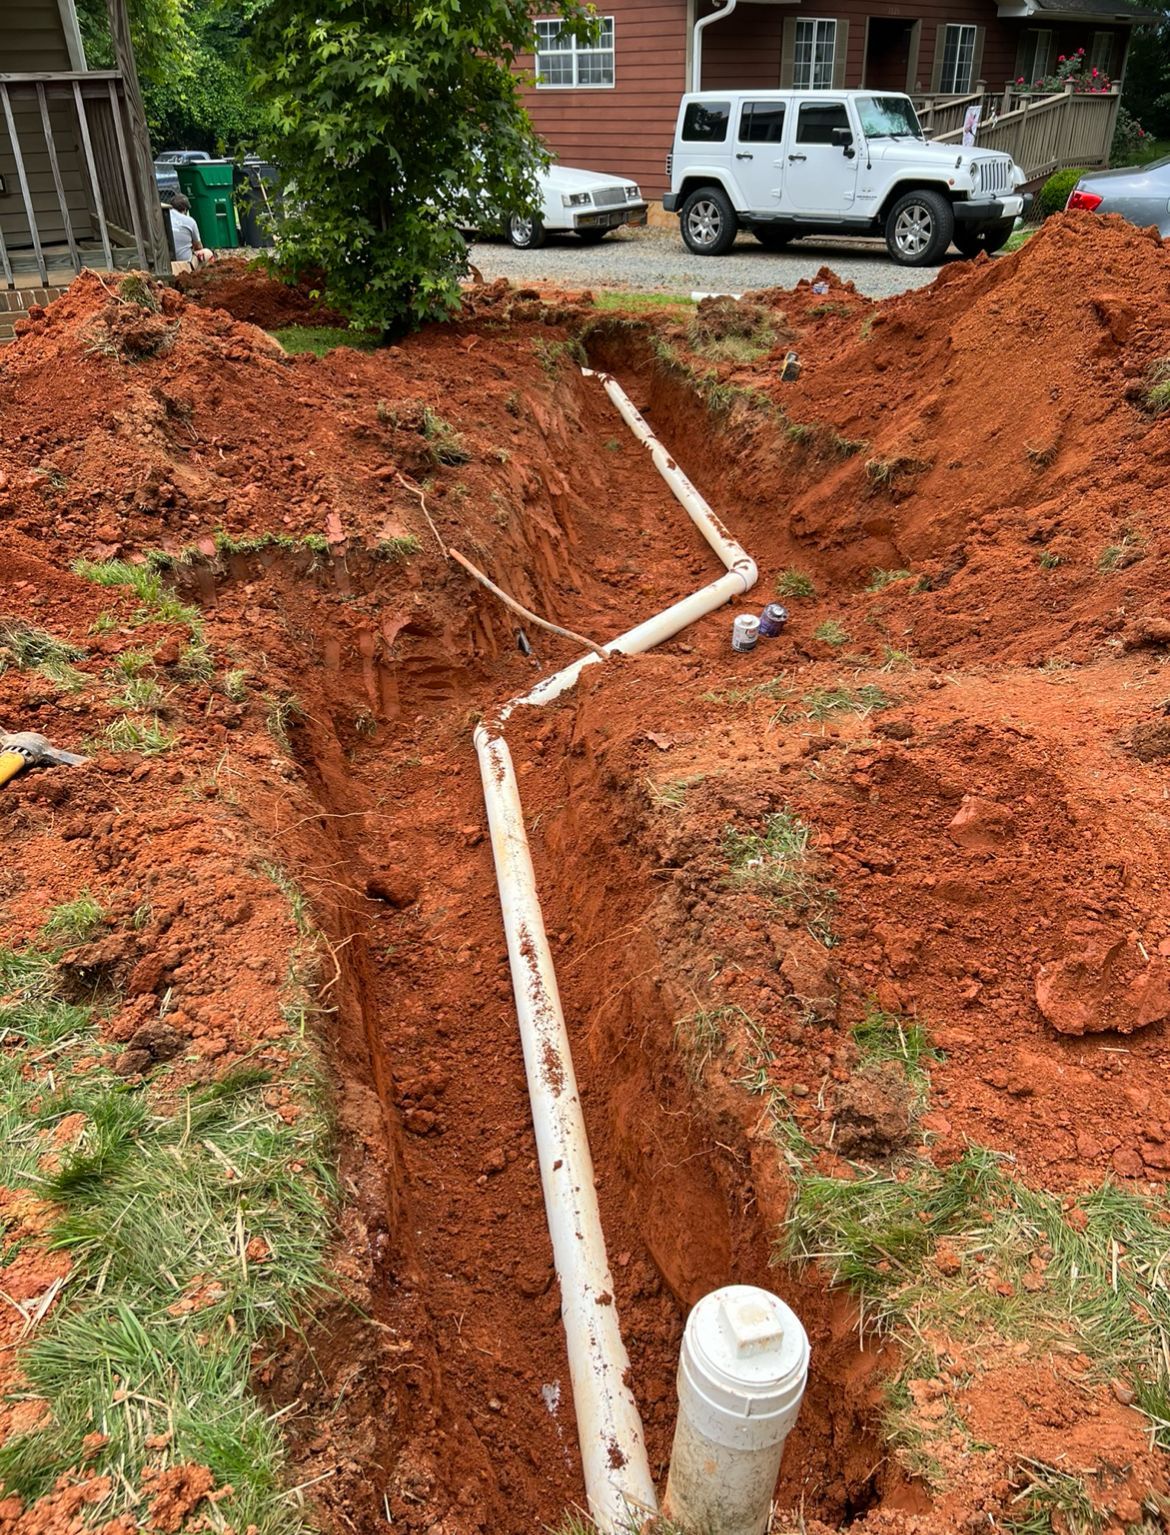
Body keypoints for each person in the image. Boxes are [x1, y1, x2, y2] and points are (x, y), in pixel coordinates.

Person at [168, 194, 212, 266]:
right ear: (185, 209)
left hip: (165, 263)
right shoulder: (190, 221)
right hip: (185, 264)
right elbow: (198, 246)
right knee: (208, 253)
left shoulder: (163, 217)